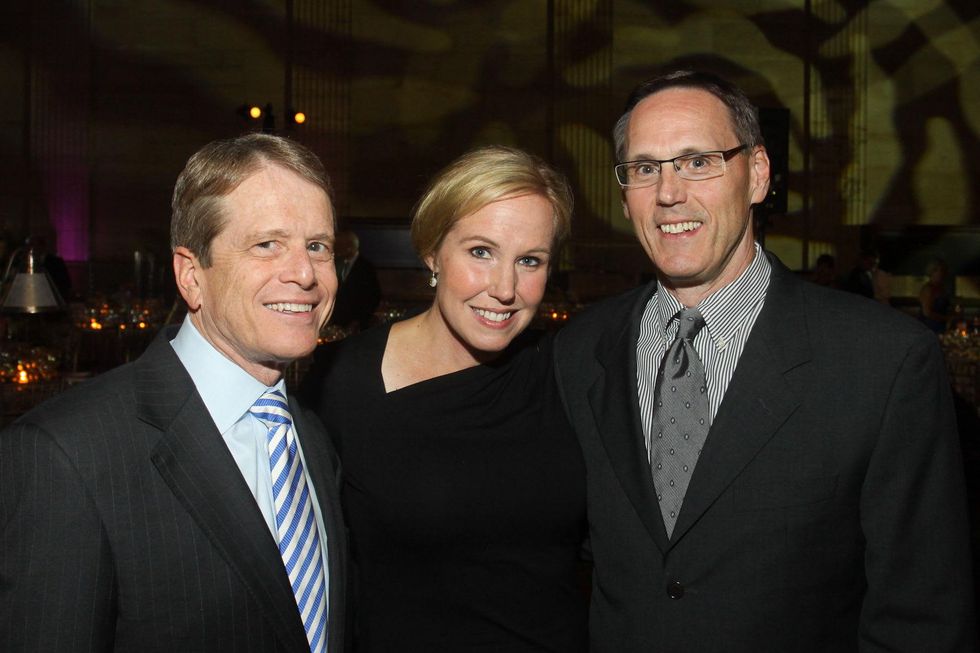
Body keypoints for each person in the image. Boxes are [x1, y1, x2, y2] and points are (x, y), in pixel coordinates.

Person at [553, 70, 975, 652]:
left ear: (757, 175)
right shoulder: (579, 351)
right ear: (625, 194)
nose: (668, 192)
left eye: (698, 161)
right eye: (645, 168)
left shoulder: (882, 361)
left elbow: (922, 611)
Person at [1, 133, 348, 652]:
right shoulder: (63, 455)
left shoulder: (313, 436)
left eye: (317, 246)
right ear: (191, 275)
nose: (305, 274)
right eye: (267, 244)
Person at [301, 145, 588, 652]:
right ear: (432, 252)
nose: (505, 288)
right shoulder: (342, 381)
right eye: (481, 252)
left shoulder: (567, 371)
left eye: (530, 260)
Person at [329, 228, 381, 330]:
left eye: (340, 245)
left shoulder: (366, 268)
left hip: (357, 325)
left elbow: (373, 297)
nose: (336, 249)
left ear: (349, 247)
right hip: (337, 323)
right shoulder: (337, 264)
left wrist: (359, 320)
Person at [919, 257, 952, 333]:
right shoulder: (928, 289)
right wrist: (946, 318)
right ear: (931, 272)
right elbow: (926, 313)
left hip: (941, 327)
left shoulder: (941, 288)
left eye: (943, 271)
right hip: (930, 327)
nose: (941, 273)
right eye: (938, 270)